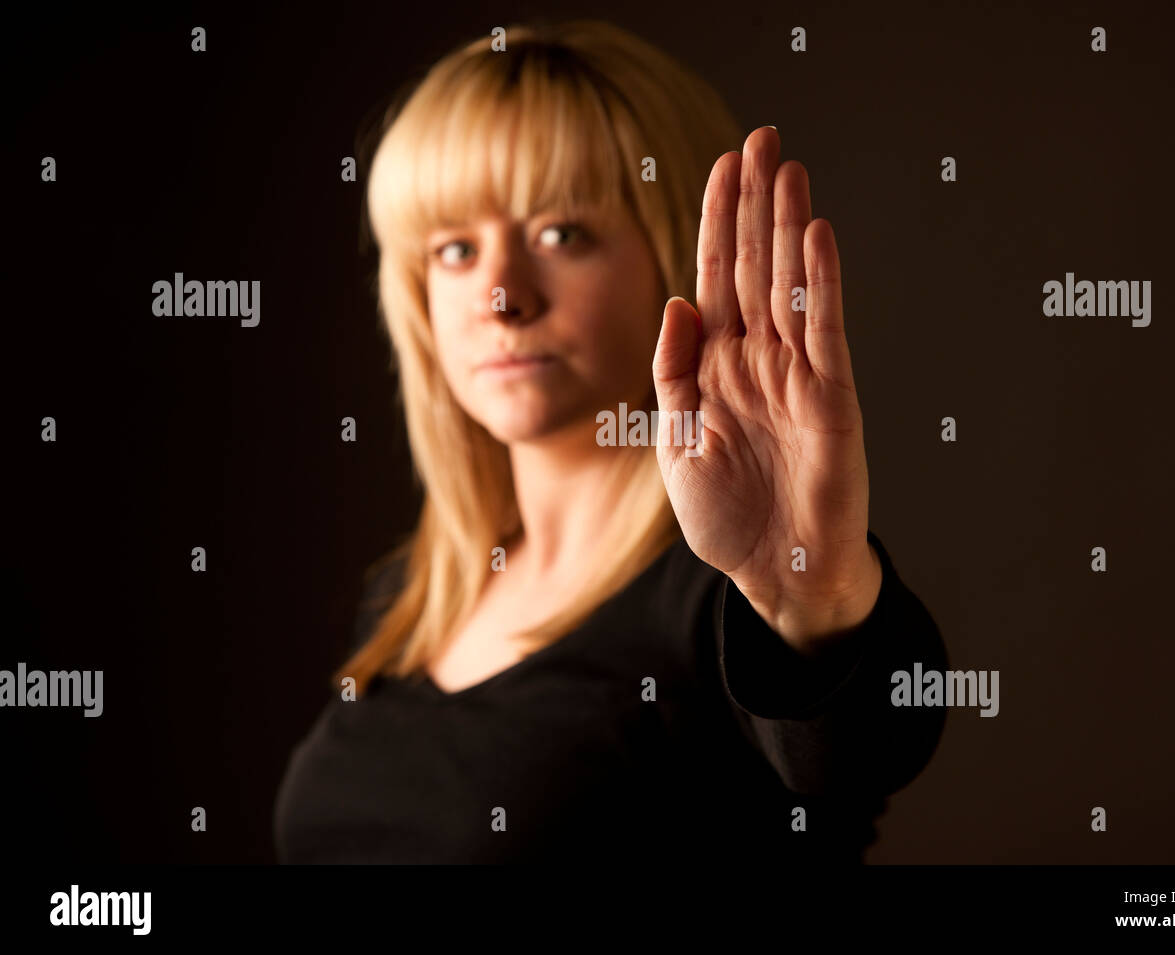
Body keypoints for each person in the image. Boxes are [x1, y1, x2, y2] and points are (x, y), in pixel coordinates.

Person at [273, 18, 948, 864]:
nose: (501, 298)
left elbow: (862, 743)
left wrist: (811, 589)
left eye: (562, 234)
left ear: (676, 255)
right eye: (453, 249)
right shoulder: (410, 599)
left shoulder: (722, 590)